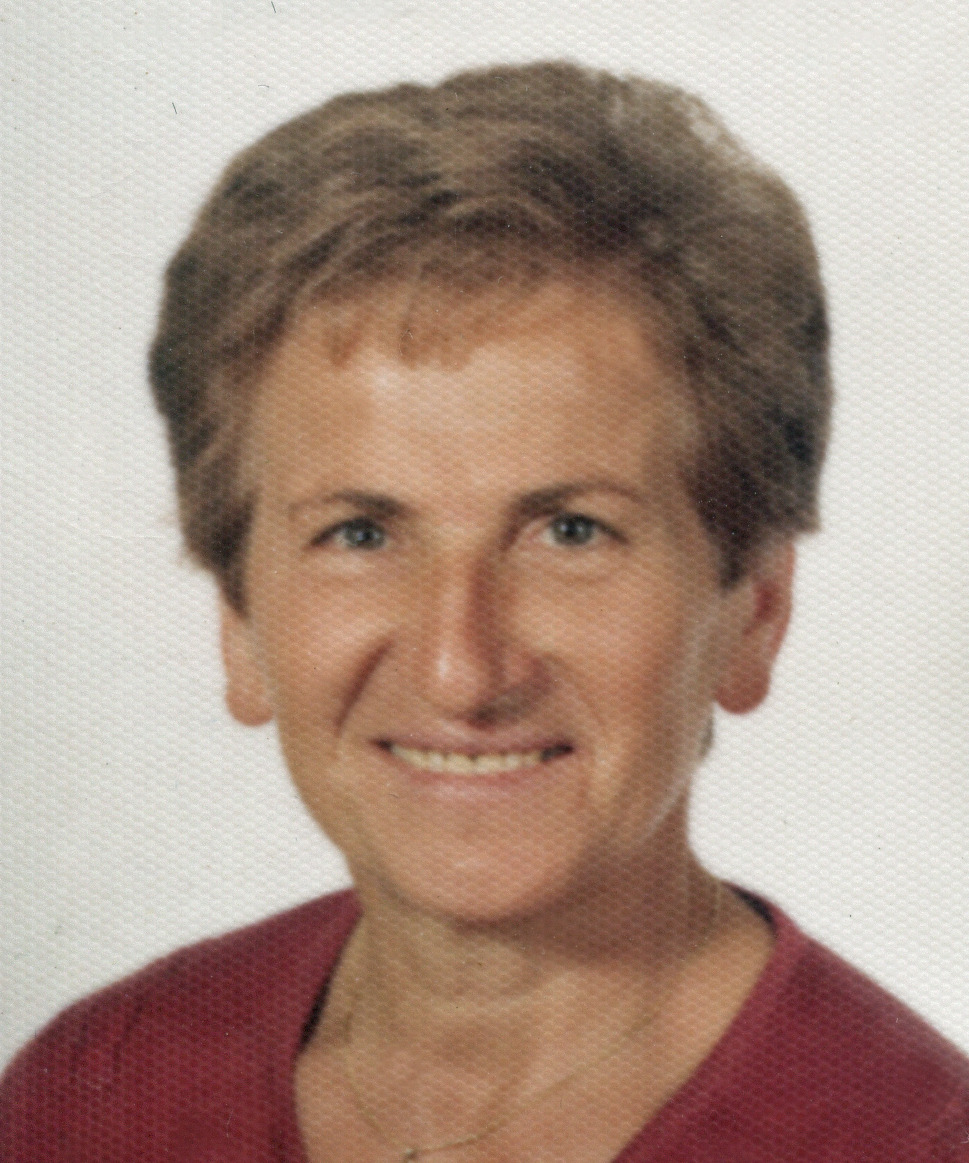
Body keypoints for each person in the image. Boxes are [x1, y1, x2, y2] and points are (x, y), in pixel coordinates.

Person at [2, 60, 967, 1162]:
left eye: (572, 532)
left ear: (754, 613)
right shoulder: (95, 1093)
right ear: (239, 618)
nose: (461, 669)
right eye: (360, 534)